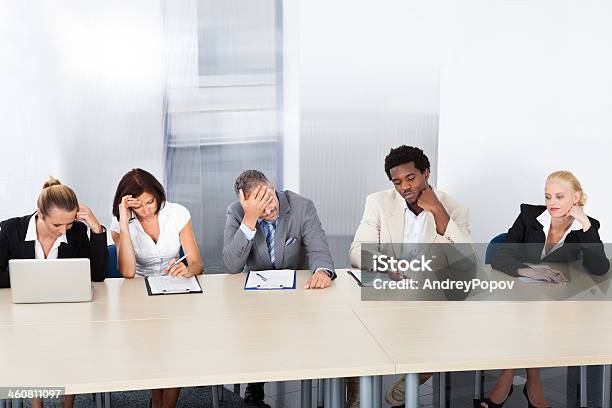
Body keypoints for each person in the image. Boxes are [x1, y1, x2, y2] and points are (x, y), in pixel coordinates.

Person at [348, 145, 475, 408]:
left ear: (426, 173)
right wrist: (387, 264)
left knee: (447, 332)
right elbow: (357, 253)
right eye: (397, 182)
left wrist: (439, 213)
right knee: (355, 328)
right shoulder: (378, 203)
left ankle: (410, 382)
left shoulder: (454, 208)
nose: (404, 187)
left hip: (430, 296)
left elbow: (466, 262)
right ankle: (358, 395)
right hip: (387, 289)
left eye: (411, 178)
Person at [483, 171, 609, 408]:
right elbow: (500, 254)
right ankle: (533, 385)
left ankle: (506, 380)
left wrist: (585, 223)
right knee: (526, 316)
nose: (552, 203)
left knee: (535, 317)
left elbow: (599, 267)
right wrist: (530, 271)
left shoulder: (585, 227)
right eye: (548, 196)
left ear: (576, 198)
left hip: (554, 304)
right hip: (517, 296)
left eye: (560, 197)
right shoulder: (530, 216)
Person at [223, 169, 336, 407]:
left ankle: (320, 390)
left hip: (299, 293)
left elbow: (319, 249)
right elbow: (232, 266)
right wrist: (249, 220)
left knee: (315, 333)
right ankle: (255, 384)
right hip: (258, 296)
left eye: (269, 200)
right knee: (254, 330)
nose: (269, 210)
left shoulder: (301, 206)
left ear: (272, 187)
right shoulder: (237, 213)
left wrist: (322, 271)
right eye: (259, 207)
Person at [0, 177, 108, 408]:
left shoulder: (77, 231)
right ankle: (35, 401)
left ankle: (67, 402)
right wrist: (32, 277)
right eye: (57, 225)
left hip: (68, 313)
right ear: (40, 213)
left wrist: (96, 228)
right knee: (26, 343)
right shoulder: (11, 229)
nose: (63, 231)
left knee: (76, 342)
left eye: (68, 224)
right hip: (24, 312)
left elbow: (98, 275)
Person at [110, 168, 202, 408]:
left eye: (150, 202)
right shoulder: (120, 223)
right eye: (138, 206)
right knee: (155, 350)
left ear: (158, 195)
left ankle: (164, 405)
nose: (147, 210)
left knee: (176, 347)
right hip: (139, 293)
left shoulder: (177, 213)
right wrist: (124, 221)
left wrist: (187, 269)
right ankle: (156, 401)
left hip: (175, 289)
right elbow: (128, 272)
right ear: (127, 205)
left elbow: (196, 263)